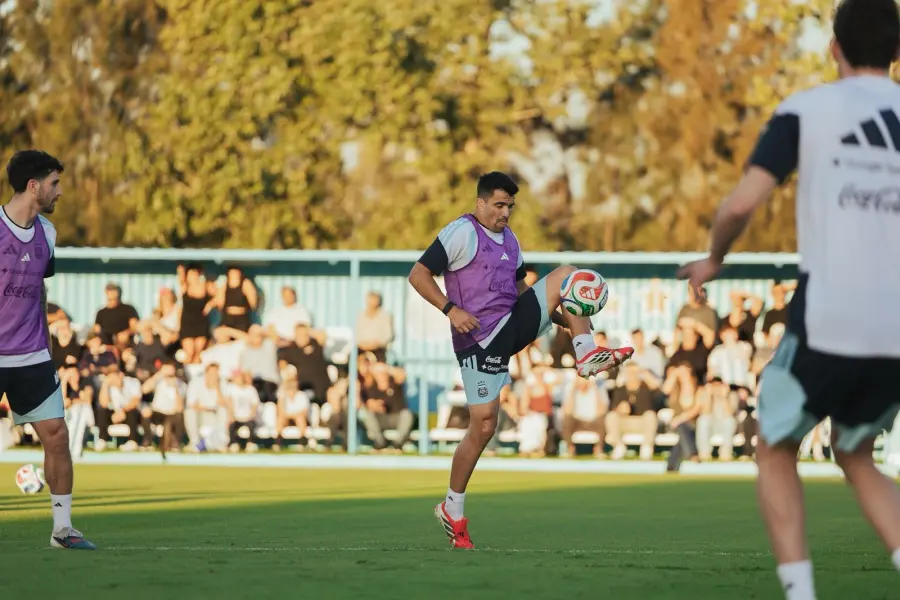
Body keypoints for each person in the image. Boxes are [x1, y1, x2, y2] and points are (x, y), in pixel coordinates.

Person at [677, 2, 900, 597]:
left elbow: (741, 204)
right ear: (897, 51)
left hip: (831, 314)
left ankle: (800, 593)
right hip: (896, 327)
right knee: (855, 450)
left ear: (834, 47)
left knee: (775, 445)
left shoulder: (807, 109)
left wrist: (714, 257)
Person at [408, 171, 633, 549]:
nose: (505, 213)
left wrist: (561, 317)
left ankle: (586, 352)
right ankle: (452, 508)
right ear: (480, 203)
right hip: (477, 338)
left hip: (510, 325)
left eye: (510, 206)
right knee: (483, 426)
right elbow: (418, 274)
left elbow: (520, 290)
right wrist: (450, 310)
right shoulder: (461, 232)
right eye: (498, 205)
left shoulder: (510, 240)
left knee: (568, 276)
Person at [0, 150, 95, 550]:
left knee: (57, 435)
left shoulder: (48, 234)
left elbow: (38, 288)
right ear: (33, 185)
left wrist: (48, 345)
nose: (59, 191)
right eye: (54, 183)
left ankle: (62, 530)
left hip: (33, 355)